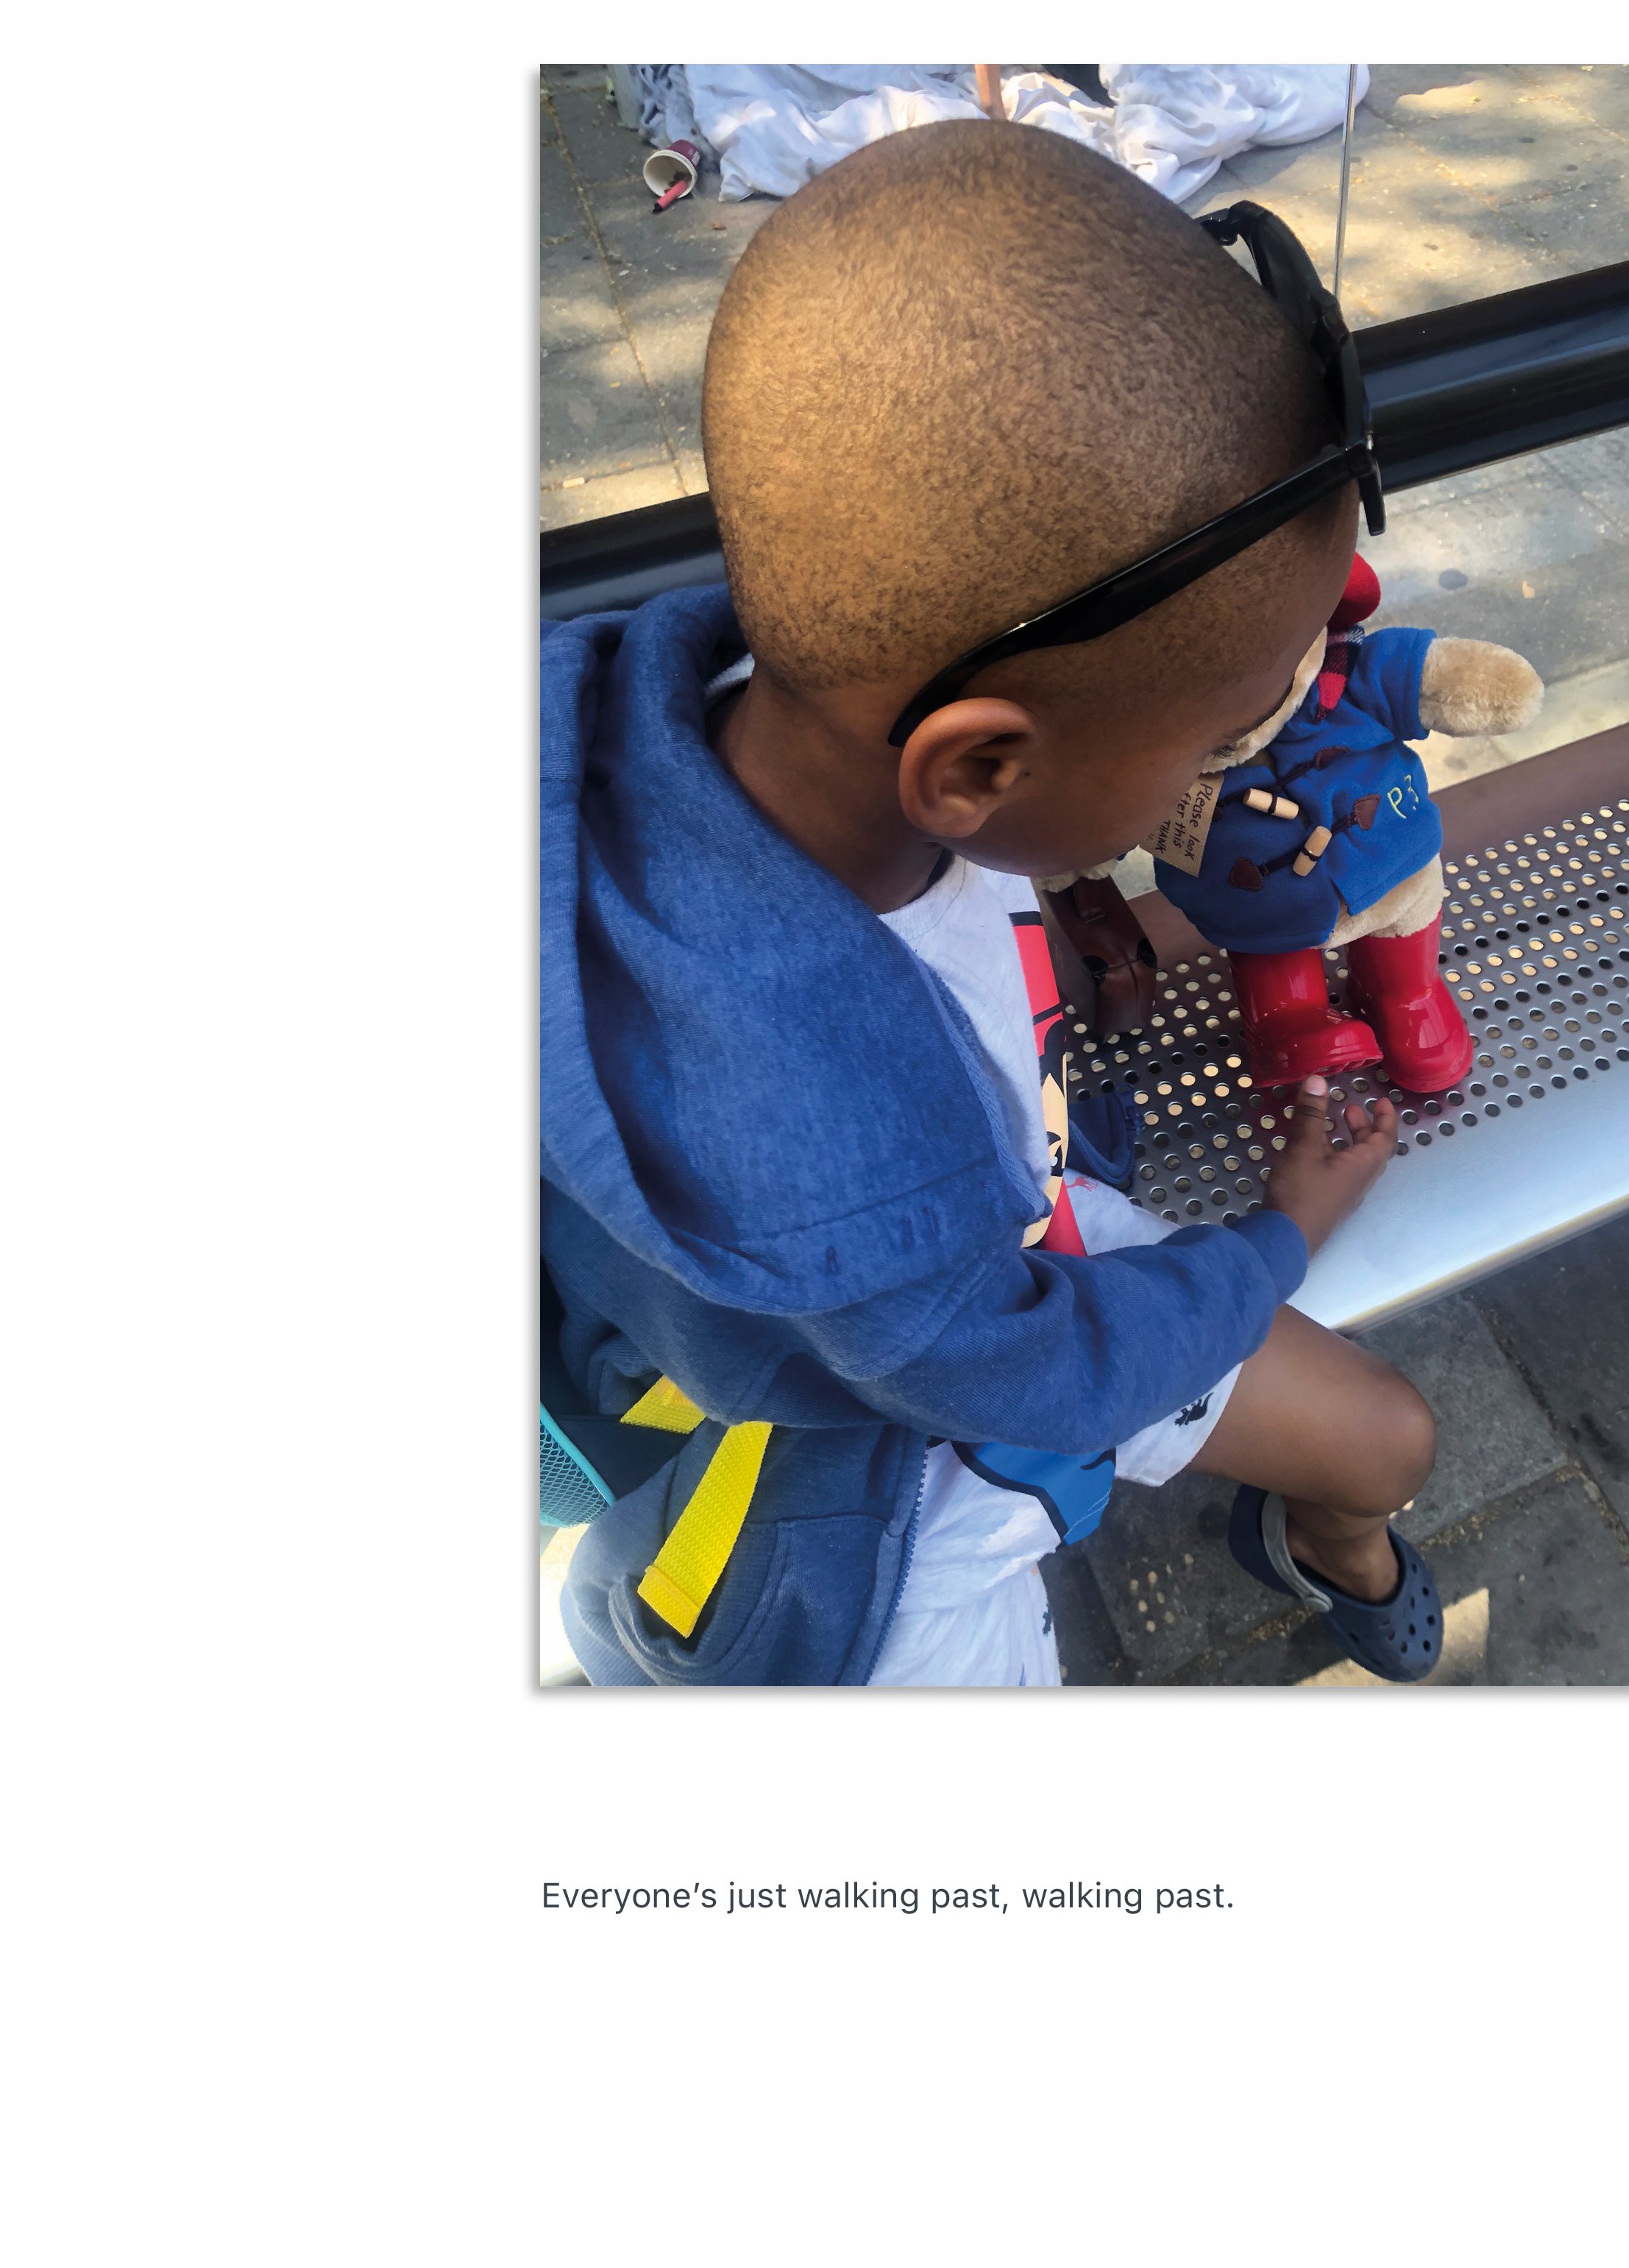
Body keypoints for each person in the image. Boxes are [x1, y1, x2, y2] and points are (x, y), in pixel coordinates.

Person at [542, 118, 1439, 1687]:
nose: (1240, 760)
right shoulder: (817, 1166)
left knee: (1388, 1442)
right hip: (876, 1506)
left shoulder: (792, 707)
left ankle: (1326, 1541)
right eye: (1215, 738)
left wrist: (1062, 917)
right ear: (973, 770)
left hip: (975, 1260)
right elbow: (1038, 1370)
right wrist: (1280, 1233)